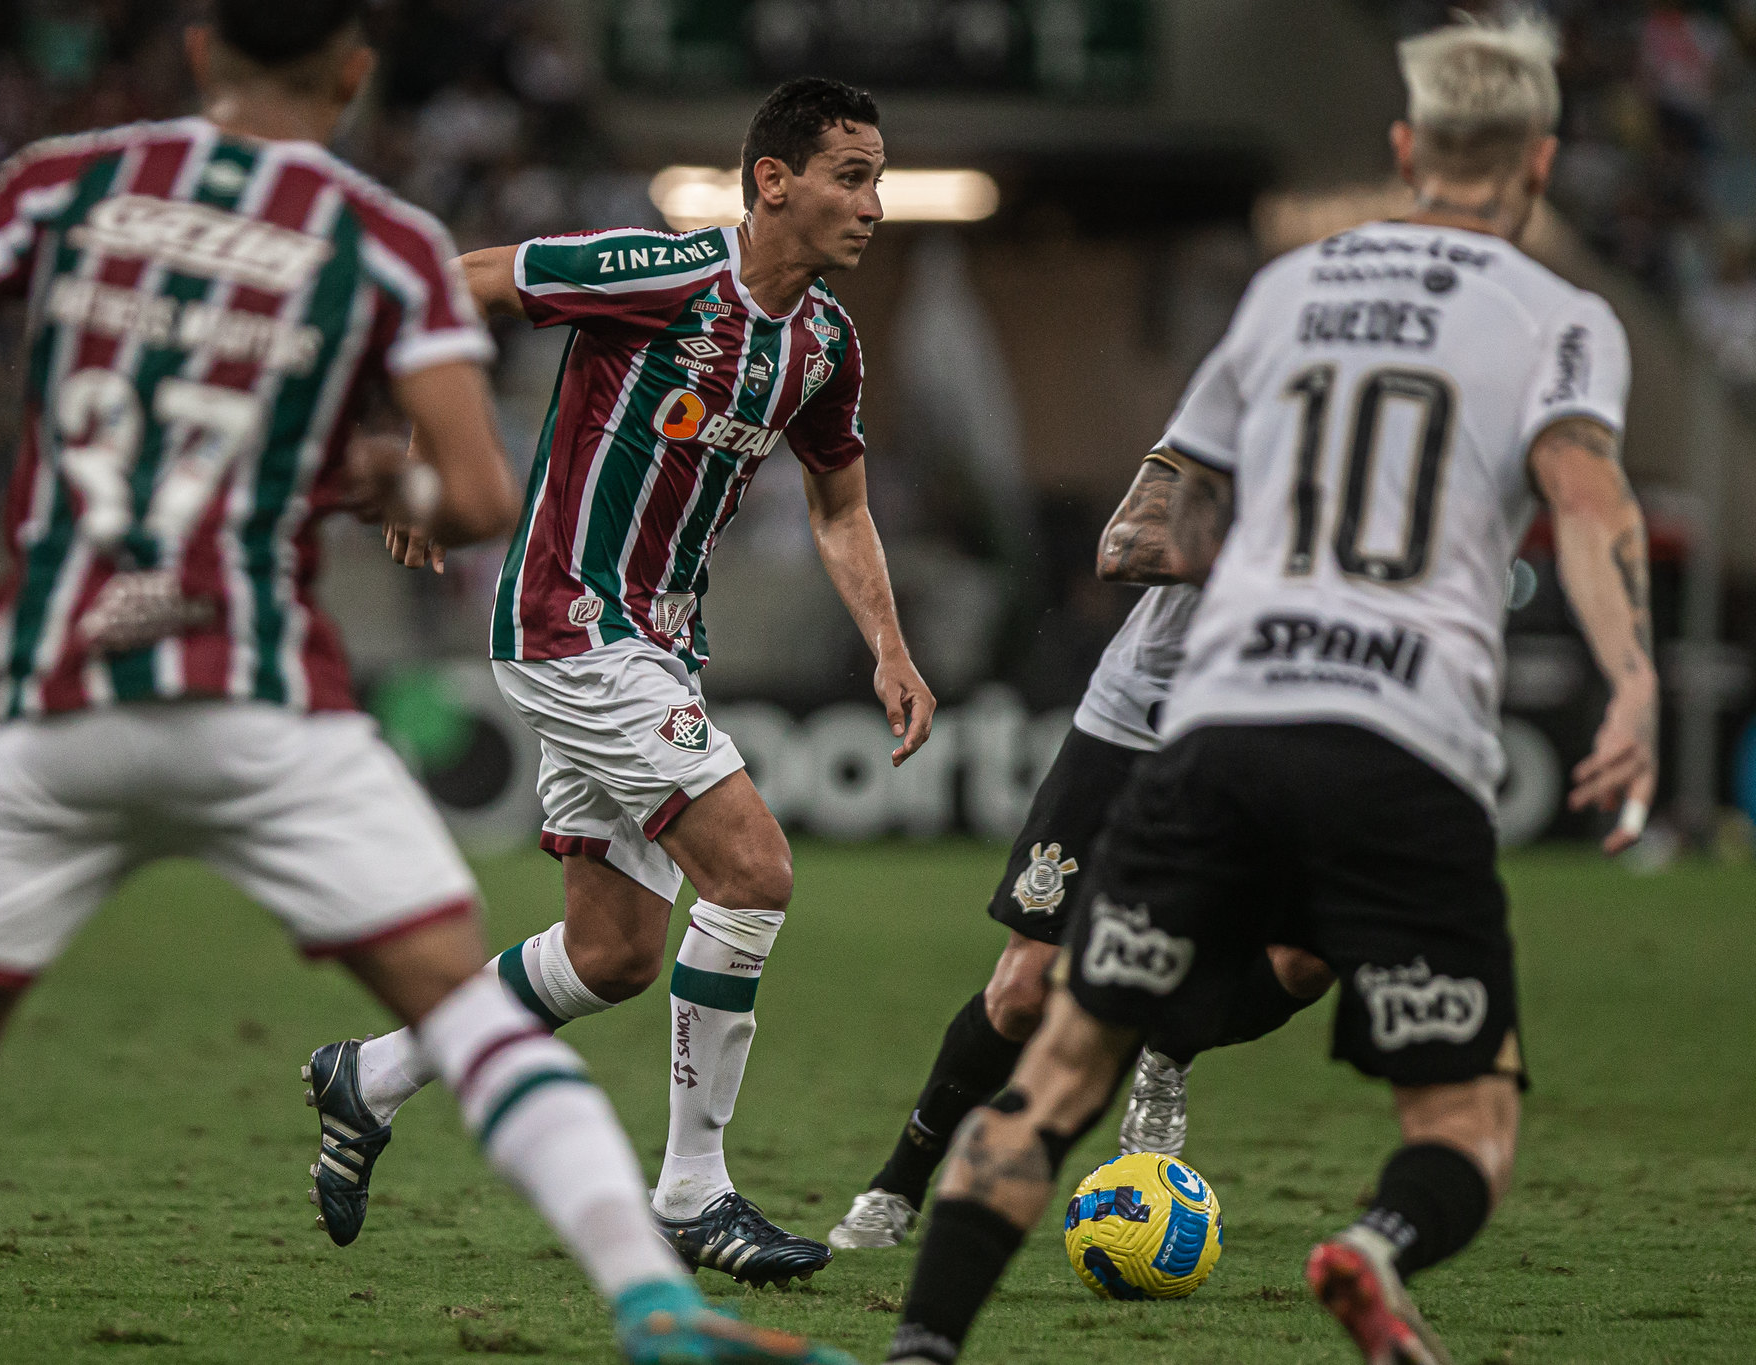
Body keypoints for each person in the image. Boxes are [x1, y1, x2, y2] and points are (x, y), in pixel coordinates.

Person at [0, 7, 855, 1365]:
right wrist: (406, 475)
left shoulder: (57, 185)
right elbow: (482, 494)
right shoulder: (372, 235)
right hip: (259, 694)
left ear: (197, 55)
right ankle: (655, 1290)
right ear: (356, 72)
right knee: (465, 1008)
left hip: (49, 688)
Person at [882, 13, 1657, 1365]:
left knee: (1058, 1070)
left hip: (1220, 721)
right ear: (1538, 162)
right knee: (1467, 1115)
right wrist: (1634, 680)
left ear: (1408, 146)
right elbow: (1588, 503)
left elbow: (1166, 529)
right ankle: (1373, 1248)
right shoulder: (1565, 316)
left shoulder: (1289, 290)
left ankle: (920, 1346)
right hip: (1402, 738)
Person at [302, 76, 937, 1287]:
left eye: (876, 178)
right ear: (773, 181)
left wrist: (888, 647)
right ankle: (693, 1192)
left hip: (656, 643)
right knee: (752, 870)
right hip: (572, 623)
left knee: (612, 956)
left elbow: (838, 501)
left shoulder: (822, 346)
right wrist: (416, 443)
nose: (873, 204)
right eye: (851, 177)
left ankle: (370, 1076)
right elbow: (456, 284)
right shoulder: (657, 272)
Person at [826, 456, 1336, 1251]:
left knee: (1309, 956)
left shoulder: (1415, 455)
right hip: (1139, 721)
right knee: (1024, 990)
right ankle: (897, 1184)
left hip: (1290, 735)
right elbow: (1122, 544)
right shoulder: (1241, 405)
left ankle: (1169, 1044)